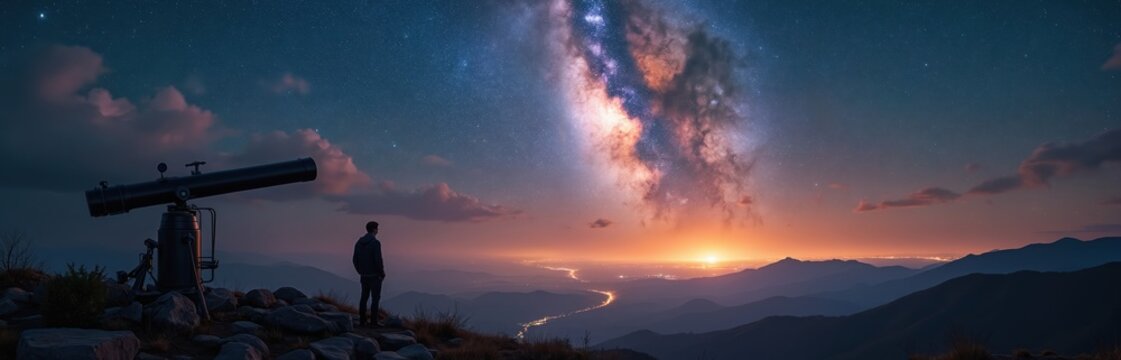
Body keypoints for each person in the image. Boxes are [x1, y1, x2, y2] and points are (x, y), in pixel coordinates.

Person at [353, 221, 386, 327]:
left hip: (364, 275)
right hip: (374, 276)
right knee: (375, 299)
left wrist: (360, 271)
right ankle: (373, 322)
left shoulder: (359, 242)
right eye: (377, 228)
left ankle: (362, 321)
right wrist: (382, 273)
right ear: (374, 229)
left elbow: (354, 259)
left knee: (364, 297)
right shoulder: (375, 243)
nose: (378, 230)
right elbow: (378, 260)